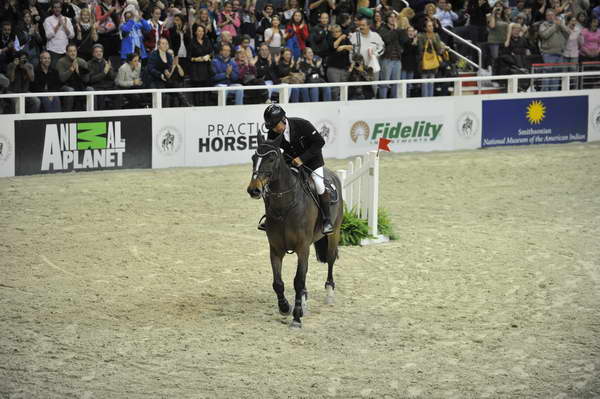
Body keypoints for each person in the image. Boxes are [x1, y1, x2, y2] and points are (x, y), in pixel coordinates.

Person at [258, 104, 334, 235]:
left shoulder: (302, 125)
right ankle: (270, 216)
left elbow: (319, 142)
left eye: (275, 126)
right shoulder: (273, 132)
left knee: (318, 184)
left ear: (283, 120)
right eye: (272, 128)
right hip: (291, 161)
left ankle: (327, 220)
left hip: (312, 161)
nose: (274, 130)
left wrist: (302, 158)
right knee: (273, 184)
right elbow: (272, 150)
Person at [378, 12, 408, 99]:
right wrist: (394, 30)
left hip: (397, 59)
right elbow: (387, 39)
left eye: (395, 17)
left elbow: (405, 40)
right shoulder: (382, 29)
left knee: (396, 83)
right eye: (390, 17)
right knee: (384, 83)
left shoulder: (398, 30)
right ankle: (382, 100)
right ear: (387, 19)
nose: (393, 19)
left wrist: (400, 29)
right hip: (386, 59)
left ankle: (394, 100)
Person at [56, 43, 92, 111]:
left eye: (74, 51)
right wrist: (71, 70)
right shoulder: (61, 62)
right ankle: (67, 114)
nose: (73, 53)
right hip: (65, 86)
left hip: (80, 86)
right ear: (66, 52)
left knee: (90, 90)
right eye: (70, 51)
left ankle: (92, 115)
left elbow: (87, 80)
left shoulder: (82, 62)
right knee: (70, 90)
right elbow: (61, 79)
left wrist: (79, 73)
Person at [538, 9, 569, 90]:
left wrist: (561, 25)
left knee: (556, 75)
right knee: (547, 74)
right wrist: (555, 26)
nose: (550, 17)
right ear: (546, 17)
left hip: (559, 53)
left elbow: (569, 33)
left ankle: (554, 93)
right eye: (548, 15)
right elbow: (544, 35)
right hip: (548, 53)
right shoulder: (543, 25)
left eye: (552, 15)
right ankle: (545, 93)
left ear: (555, 16)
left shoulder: (560, 24)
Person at [44, 1, 75, 67]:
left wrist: (65, 26)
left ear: (61, 8)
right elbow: (48, 36)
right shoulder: (48, 20)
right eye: (55, 7)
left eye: (59, 7)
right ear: (52, 9)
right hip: (53, 50)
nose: (57, 9)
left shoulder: (67, 19)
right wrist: (58, 25)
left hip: (65, 51)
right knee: (54, 71)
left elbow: (72, 36)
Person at [418, 18, 444, 97]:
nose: (431, 27)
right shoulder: (421, 36)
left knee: (431, 82)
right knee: (424, 82)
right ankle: (425, 99)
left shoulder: (436, 35)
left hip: (433, 62)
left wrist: (433, 41)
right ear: (425, 28)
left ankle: (431, 98)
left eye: (432, 26)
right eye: (429, 26)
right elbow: (420, 49)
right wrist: (427, 43)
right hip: (424, 61)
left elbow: (439, 50)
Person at [189, 24, 214, 106]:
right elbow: (188, 57)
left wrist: (209, 56)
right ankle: (197, 107)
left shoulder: (207, 40)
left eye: (202, 31)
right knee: (197, 90)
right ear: (195, 32)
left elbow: (212, 52)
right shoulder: (191, 42)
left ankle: (206, 106)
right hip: (196, 69)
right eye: (199, 31)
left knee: (206, 90)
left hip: (206, 68)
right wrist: (196, 59)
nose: (201, 33)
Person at [326, 23, 352, 100]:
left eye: (338, 31)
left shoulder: (345, 39)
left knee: (344, 89)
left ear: (341, 31)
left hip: (344, 68)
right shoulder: (329, 38)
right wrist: (340, 38)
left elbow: (351, 47)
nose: (335, 33)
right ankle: (334, 105)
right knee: (335, 89)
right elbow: (334, 46)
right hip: (333, 68)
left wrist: (344, 46)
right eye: (334, 32)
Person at [88, 44, 116, 109]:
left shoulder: (106, 62)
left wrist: (109, 69)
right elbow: (91, 79)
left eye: (100, 51)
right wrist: (104, 72)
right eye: (96, 52)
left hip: (108, 87)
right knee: (101, 95)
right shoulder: (89, 64)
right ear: (93, 53)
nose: (99, 53)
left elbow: (112, 77)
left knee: (118, 92)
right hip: (97, 87)